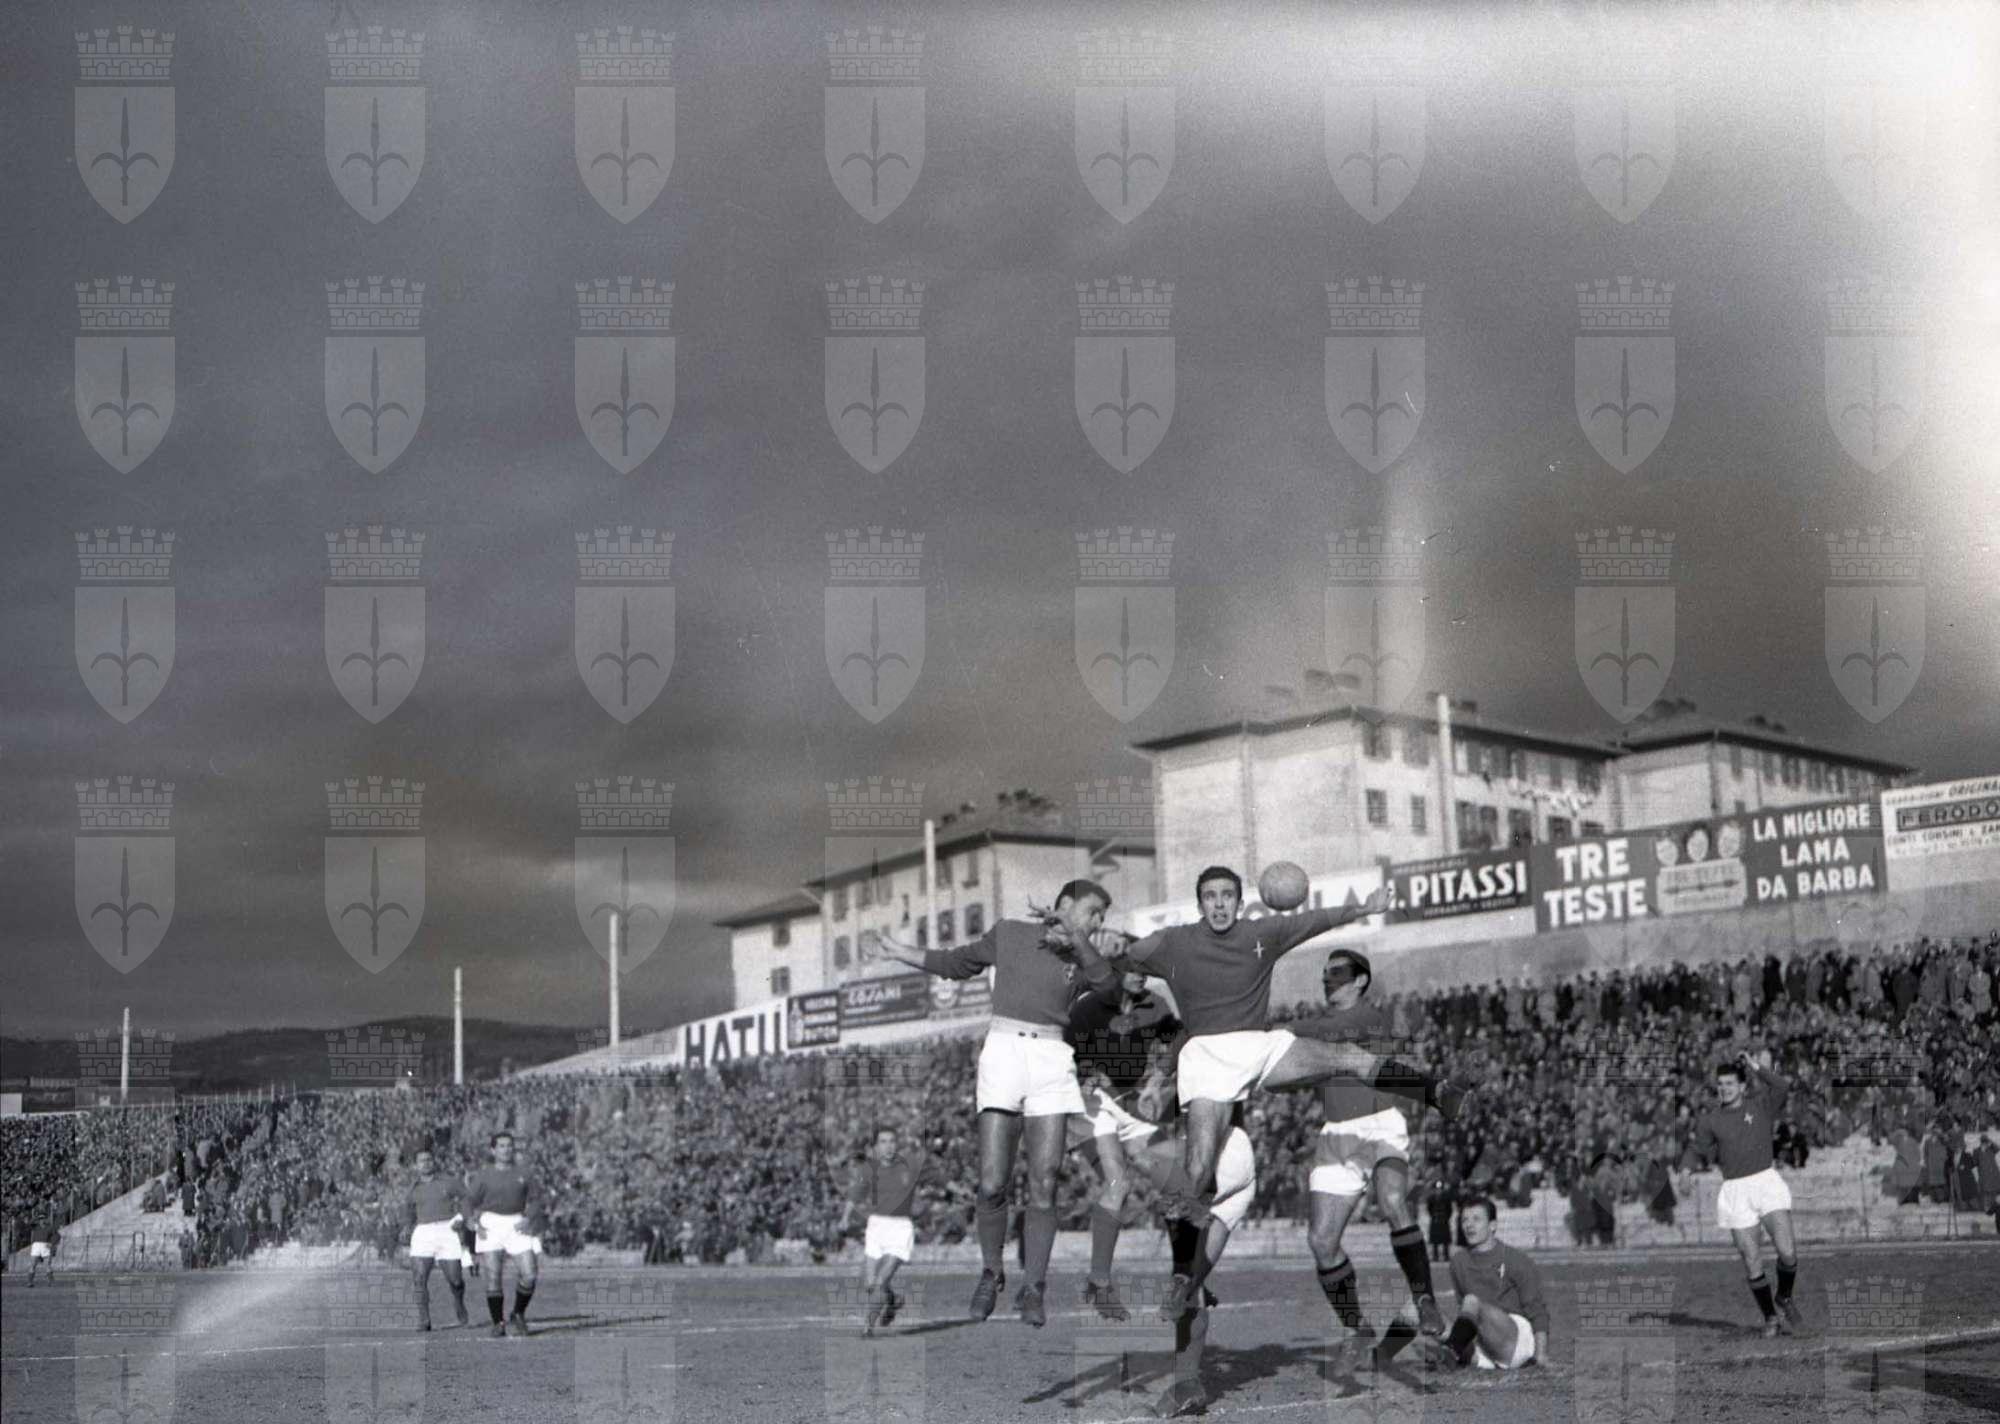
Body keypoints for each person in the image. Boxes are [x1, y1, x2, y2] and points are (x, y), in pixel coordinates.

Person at [1105, 866, 1462, 1320]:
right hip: (1220, 1060)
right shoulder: (1178, 942)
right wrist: (1094, 942)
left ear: (1240, 902)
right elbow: (1126, 957)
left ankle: (1437, 1092)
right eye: (1211, 896)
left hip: (1270, 1052)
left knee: (1350, 1060)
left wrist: (1363, 907)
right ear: (1200, 904)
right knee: (1199, 1172)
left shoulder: (1271, 939)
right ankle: (1182, 1280)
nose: (1219, 903)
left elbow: (1314, 921)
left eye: (1227, 895)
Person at [874, 878, 1121, 1326]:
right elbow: (955, 963)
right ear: (1065, 904)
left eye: (1102, 917)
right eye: (1092, 912)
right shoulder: (1010, 933)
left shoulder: (1084, 957)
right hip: (1004, 1051)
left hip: (1051, 1056)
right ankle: (991, 1272)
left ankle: (1035, 1286)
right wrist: (899, 951)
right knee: (992, 1182)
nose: (1097, 922)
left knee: (1045, 1179)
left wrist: (1081, 939)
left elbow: (1109, 989)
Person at [1287, 949, 1445, 1369]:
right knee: (1321, 1242)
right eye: (1325, 973)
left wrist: (1280, 1030)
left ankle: (1424, 1299)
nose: (1328, 979)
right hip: (1336, 1134)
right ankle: (1357, 1327)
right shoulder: (1321, 1027)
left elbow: (1331, 1030)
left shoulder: (1370, 1018)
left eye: (1338, 973)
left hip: (1380, 1125)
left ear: (1361, 981)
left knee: (1393, 1201)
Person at [1692, 1050, 1801, 1338]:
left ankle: (1784, 1296)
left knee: (1787, 1252)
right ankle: (1770, 1318)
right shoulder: (1710, 1120)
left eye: (1730, 1083)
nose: (1724, 1089)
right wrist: (1685, 1170)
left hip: (1766, 1182)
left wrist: (1756, 1066)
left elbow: (1782, 1086)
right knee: (1751, 1258)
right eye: (1721, 1084)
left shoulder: (1761, 1105)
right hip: (1735, 1190)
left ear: (1742, 1086)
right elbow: (1698, 1149)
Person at [1428, 1195, 1548, 1372]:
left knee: (1472, 1301)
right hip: (1483, 1341)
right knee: (1420, 1307)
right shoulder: (1458, 1261)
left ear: (1493, 1226)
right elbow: (1463, 1311)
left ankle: (1451, 1353)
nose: (1469, 1225)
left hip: (1515, 1343)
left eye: (1476, 1219)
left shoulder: (1516, 1259)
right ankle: (1384, 1357)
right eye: (1464, 1220)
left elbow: (1537, 1311)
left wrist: (1541, 1355)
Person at [843, 1125, 922, 1337]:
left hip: (901, 1228)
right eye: (883, 1142)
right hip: (877, 1226)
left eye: (892, 1141)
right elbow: (855, 1195)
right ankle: (893, 1301)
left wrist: (960, 1191)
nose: (888, 1146)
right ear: (876, 1146)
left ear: (897, 1144)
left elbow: (938, 1178)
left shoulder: (909, 1166)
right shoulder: (868, 1169)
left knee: (881, 1280)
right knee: (870, 1284)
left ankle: (867, 1328)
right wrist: (844, 1218)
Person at [466, 1131, 541, 1337]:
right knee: (493, 1275)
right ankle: (498, 1322)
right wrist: (471, 1220)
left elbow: (536, 1199)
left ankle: (518, 1313)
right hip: (491, 1223)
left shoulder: (524, 1173)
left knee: (530, 1274)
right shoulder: (484, 1175)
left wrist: (529, 1218)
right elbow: (468, 1200)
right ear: (493, 1150)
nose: (506, 1149)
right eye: (501, 1146)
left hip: (517, 1222)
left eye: (509, 1145)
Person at [404, 1148, 470, 1331]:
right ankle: (424, 1320)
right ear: (416, 1165)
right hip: (423, 1232)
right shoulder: (413, 1188)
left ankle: (459, 1304)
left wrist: (461, 1218)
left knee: (455, 1280)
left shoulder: (448, 1181)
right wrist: (406, 1228)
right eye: (421, 1161)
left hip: (446, 1230)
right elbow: (408, 1211)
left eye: (429, 1159)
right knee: (419, 1278)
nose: (426, 1163)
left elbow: (467, 1197)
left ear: (434, 1162)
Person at [26, 1209, 55, 1286]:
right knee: (33, 1264)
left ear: (46, 1219)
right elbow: (29, 1223)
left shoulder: (49, 1227)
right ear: (38, 1220)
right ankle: (30, 1282)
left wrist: (52, 1243)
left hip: (45, 1245)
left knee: (47, 1265)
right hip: (36, 1245)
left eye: (43, 1218)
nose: (41, 1220)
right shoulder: (35, 1226)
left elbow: (56, 1236)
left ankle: (50, 1281)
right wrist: (36, 1217)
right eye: (40, 1219)